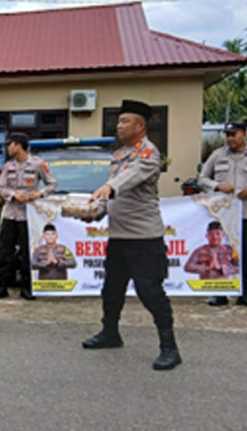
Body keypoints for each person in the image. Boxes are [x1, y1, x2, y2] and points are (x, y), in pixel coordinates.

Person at [79, 99, 180, 371]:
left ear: (140, 125)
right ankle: (110, 333)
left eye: (125, 121)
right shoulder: (119, 154)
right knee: (111, 289)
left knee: (150, 292)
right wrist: (94, 212)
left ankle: (169, 348)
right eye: (118, 121)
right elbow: (111, 197)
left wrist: (108, 187)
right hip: (119, 237)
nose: (119, 126)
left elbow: (129, 179)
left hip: (144, 238)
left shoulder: (148, 153)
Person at [0, 132, 58, 300]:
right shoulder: (8, 166)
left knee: (27, 252)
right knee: (5, 252)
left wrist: (39, 194)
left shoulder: (38, 164)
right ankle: (2, 286)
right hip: (10, 214)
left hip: (29, 215)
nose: (8, 148)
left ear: (18, 145)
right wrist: (14, 195)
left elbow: (52, 183)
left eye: (10, 144)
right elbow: (0, 187)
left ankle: (27, 287)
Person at [197, 120, 247, 307]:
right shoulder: (217, 156)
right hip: (222, 217)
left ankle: (244, 295)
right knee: (221, 255)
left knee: (245, 255)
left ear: (244, 135)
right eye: (227, 135)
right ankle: (220, 293)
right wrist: (217, 186)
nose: (230, 139)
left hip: (244, 215)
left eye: (234, 134)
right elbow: (201, 179)